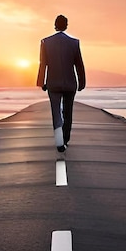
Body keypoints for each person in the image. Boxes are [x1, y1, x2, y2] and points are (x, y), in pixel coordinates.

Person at [37, 14, 86, 152]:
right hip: (70, 83)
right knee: (68, 112)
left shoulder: (46, 42)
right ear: (66, 25)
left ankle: (59, 141)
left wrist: (41, 82)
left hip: (53, 83)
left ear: (55, 25)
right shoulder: (74, 42)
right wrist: (82, 82)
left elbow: (43, 64)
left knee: (56, 112)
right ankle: (66, 138)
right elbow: (79, 65)